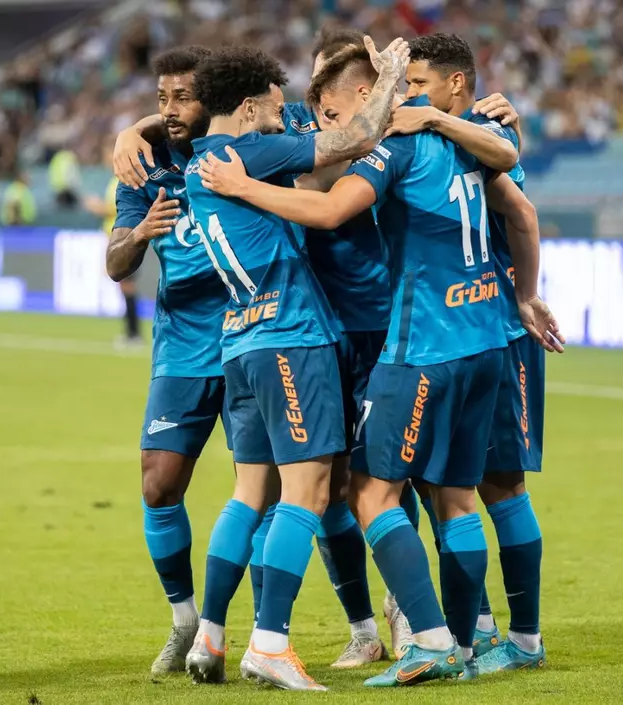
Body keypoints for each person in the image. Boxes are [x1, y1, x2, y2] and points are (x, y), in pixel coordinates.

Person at [196, 43, 561, 687]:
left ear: (373, 94)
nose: (321, 117)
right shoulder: (477, 136)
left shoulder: (397, 144)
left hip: (416, 341)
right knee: (458, 493)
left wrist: (244, 186)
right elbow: (520, 200)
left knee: (366, 489)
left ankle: (428, 638)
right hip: (487, 337)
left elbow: (330, 205)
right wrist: (526, 295)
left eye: (414, 82)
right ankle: (472, 637)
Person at [180, 41, 407, 691]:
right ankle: (271, 643)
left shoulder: (200, 163)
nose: (287, 121)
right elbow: (358, 136)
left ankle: (210, 635)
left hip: (239, 343)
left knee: (250, 493)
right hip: (291, 338)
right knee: (308, 493)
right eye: (278, 110)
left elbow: (307, 180)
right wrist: (389, 77)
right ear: (249, 109)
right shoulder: (251, 152)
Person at [397, 33, 560, 675]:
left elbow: (522, 214)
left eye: (420, 84)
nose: (412, 95)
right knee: (452, 485)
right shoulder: (463, 136)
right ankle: (483, 630)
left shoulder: (481, 136)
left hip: (494, 332)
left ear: (456, 83)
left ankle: (519, 640)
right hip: (463, 332)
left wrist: (526, 296)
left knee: (498, 487)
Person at [104, 45, 225, 679]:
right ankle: (184, 622)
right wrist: (139, 233)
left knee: (288, 489)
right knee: (158, 484)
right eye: (161, 99)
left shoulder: (244, 147)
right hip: (181, 348)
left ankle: (297, 631)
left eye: (183, 96)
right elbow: (114, 264)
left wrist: (137, 124)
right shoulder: (143, 167)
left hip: (250, 338)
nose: (170, 109)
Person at [87, 141, 142, 346]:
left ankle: (133, 333)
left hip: (124, 241)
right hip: (116, 240)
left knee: (127, 286)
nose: (105, 159)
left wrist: (98, 207)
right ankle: (131, 332)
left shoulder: (122, 179)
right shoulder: (114, 180)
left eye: (108, 154)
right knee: (124, 286)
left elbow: (120, 209)